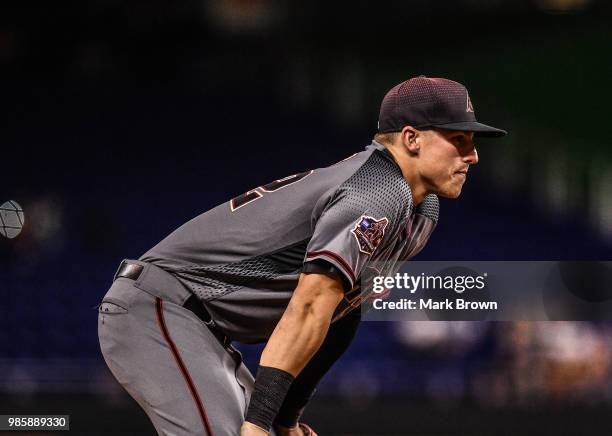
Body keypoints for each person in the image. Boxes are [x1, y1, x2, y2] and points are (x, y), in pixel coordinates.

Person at [97, 75, 506, 436]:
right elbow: (310, 305)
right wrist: (258, 422)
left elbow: (341, 313)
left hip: (199, 327)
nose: (472, 155)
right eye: (458, 139)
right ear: (411, 138)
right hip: (159, 307)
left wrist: (284, 419)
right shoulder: (377, 190)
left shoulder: (421, 208)